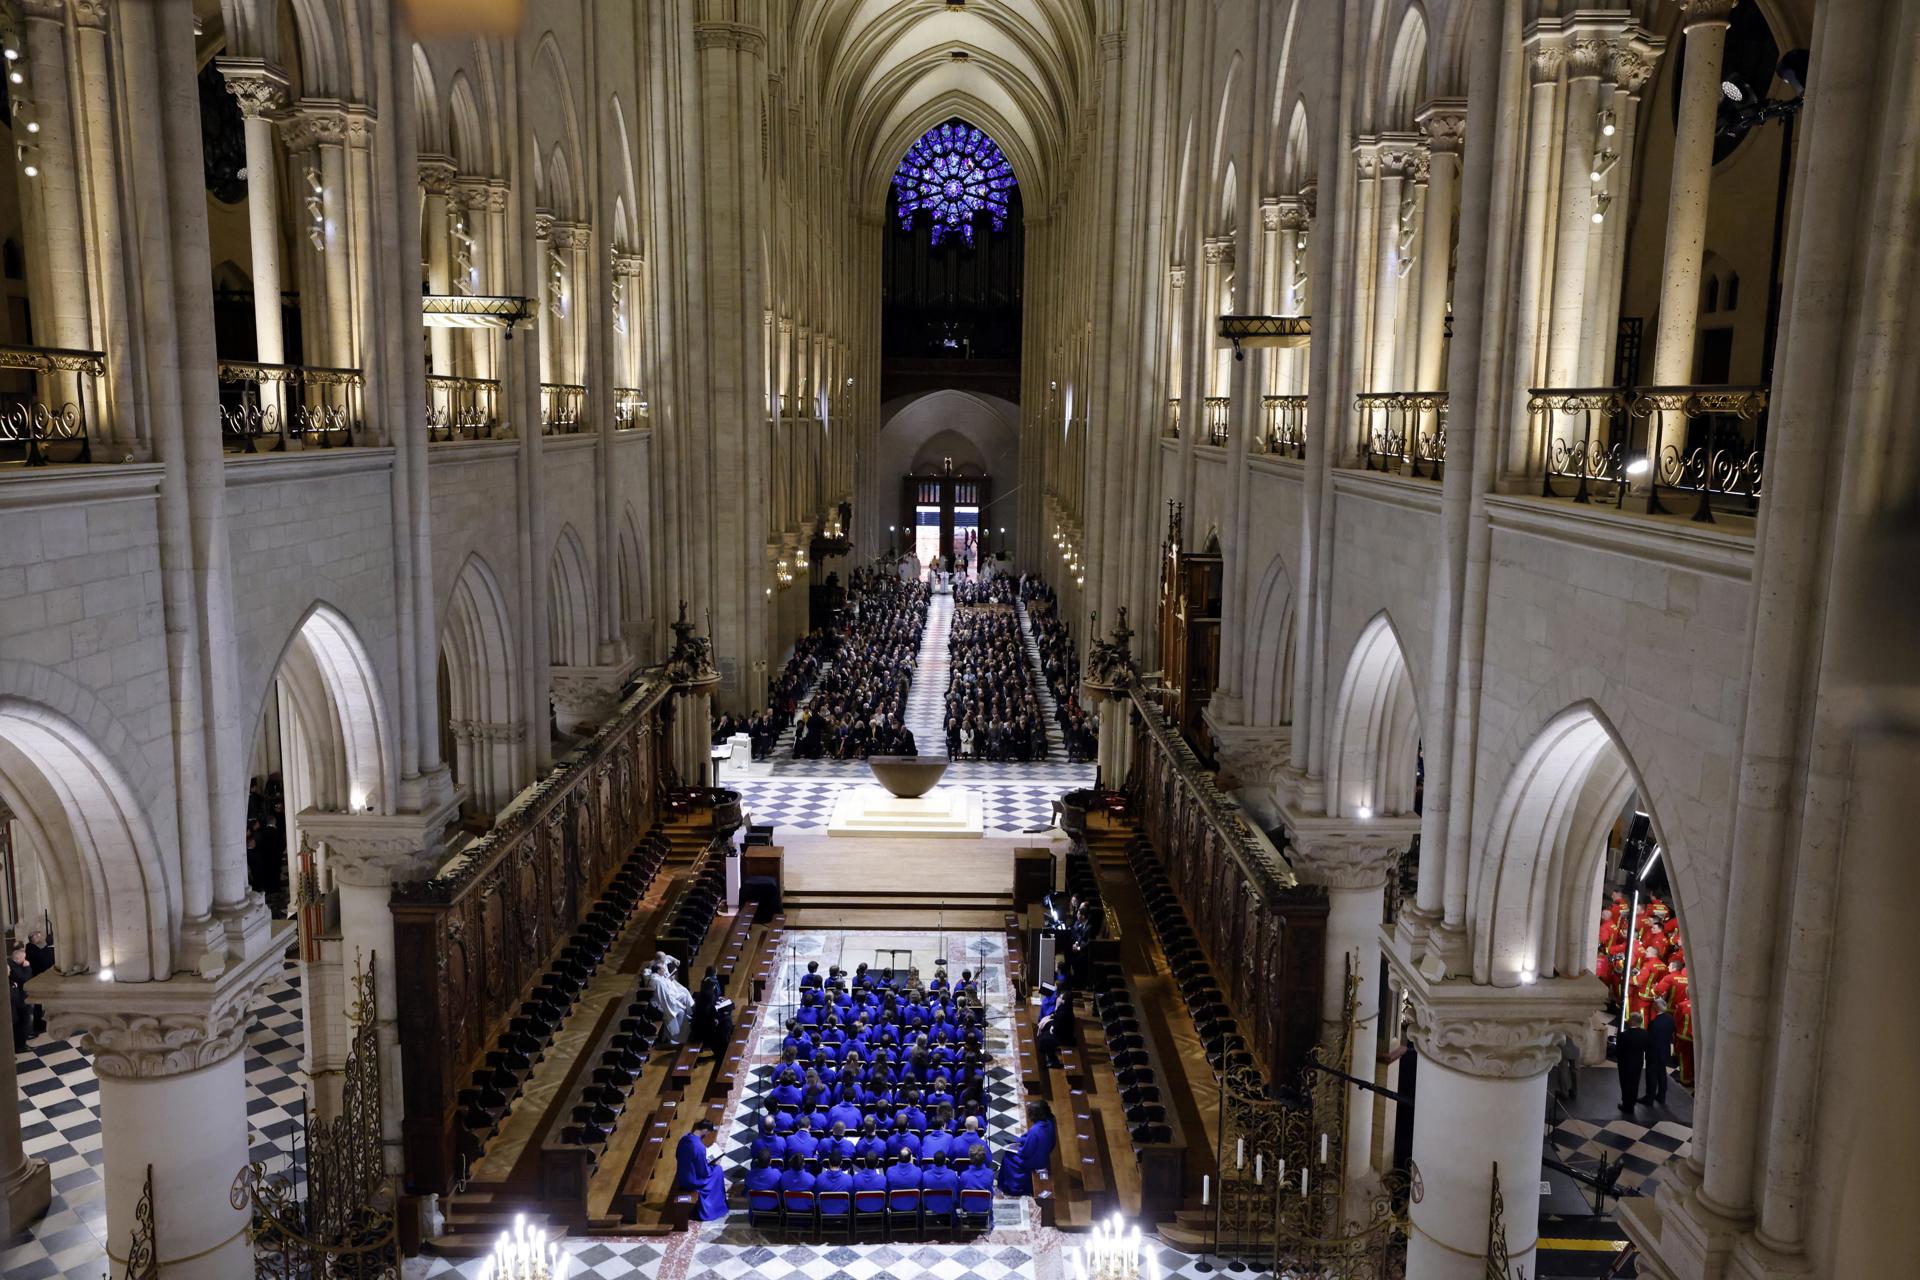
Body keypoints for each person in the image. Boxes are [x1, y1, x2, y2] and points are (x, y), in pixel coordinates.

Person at [996, 1099, 1056, 1196]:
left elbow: (1025, 1153)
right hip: (1044, 1156)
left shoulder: (1035, 1130)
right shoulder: (1050, 1122)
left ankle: (1010, 1187)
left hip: (1035, 1162)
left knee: (1008, 1156)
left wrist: (1016, 1148)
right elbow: (1051, 1142)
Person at [674, 1120, 728, 1221]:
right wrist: (710, 1164)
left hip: (682, 1175)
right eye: (708, 1132)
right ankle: (715, 1206)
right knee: (718, 1170)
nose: (707, 1135)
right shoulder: (699, 1147)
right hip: (692, 1181)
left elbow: (677, 1156)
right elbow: (703, 1172)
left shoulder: (684, 1138)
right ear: (705, 1130)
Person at [649, 955, 695, 1044]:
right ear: (658, 971)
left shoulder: (657, 977)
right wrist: (677, 1004)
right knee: (673, 1014)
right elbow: (665, 998)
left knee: (680, 1011)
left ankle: (676, 1036)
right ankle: (671, 1038)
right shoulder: (658, 982)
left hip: (664, 1001)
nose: (664, 970)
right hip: (659, 1006)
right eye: (663, 969)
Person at [1643, 999, 1677, 1105]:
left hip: (1653, 1053)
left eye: (1654, 1004)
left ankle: (1649, 1098)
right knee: (1662, 1074)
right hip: (1664, 1051)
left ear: (1657, 1007)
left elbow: (1650, 1039)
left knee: (1651, 1076)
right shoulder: (1670, 1019)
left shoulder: (1654, 1023)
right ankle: (1661, 1096)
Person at [1616, 1012, 1649, 1113]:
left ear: (1633, 1021)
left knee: (1625, 1083)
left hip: (1625, 1064)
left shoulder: (1624, 1035)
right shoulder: (1645, 1033)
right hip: (1638, 1062)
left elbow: (1618, 1050)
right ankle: (1632, 1102)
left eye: (1630, 1019)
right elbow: (1646, 1048)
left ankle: (1626, 1105)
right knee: (1635, 1083)